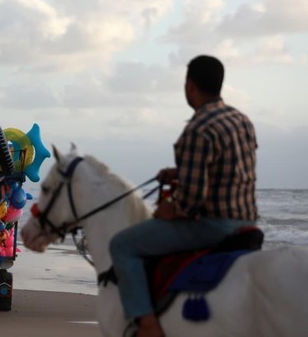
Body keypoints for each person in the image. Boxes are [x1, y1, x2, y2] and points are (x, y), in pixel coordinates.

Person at [109, 55, 258, 337]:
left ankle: (148, 324)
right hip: (247, 221)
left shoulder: (198, 128)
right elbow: (226, 169)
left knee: (122, 245)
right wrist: (178, 172)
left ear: (190, 86)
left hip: (211, 226)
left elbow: (192, 200)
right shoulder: (242, 120)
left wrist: (170, 209)